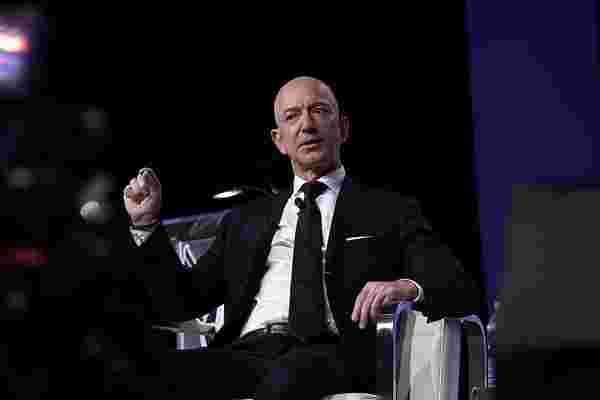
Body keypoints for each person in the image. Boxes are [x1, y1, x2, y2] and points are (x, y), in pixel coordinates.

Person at [120, 76, 482, 399]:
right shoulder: (245, 220)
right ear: (279, 140)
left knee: (291, 374)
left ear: (343, 128)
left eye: (319, 111)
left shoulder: (387, 209)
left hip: (335, 353)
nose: (307, 125)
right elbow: (181, 301)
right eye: (292, 116)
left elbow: (457, 284)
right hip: (247, 353)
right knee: (141, 372)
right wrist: (147, 225)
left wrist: (403, 287)